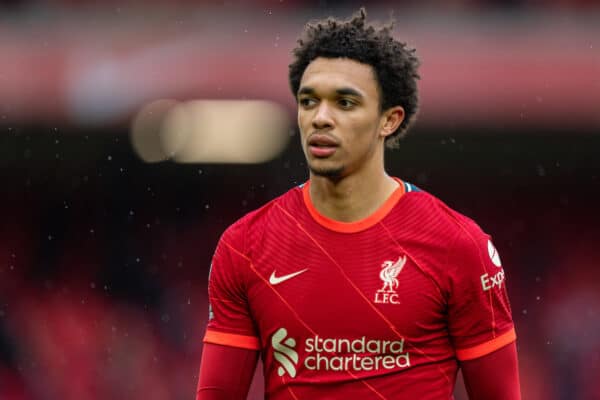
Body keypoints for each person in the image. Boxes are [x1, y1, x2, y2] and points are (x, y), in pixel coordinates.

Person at [196, 8, 520, 400]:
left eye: (345, 103)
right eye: (309, 101)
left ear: (389, 120)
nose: (321, 118)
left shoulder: (459, 245)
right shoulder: (244, 246)